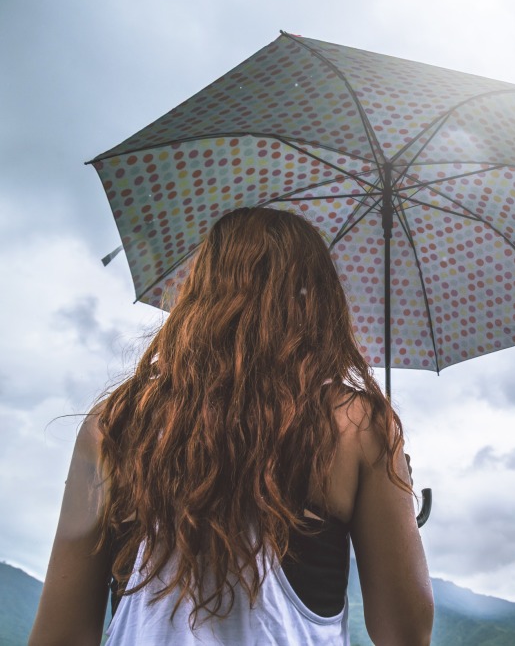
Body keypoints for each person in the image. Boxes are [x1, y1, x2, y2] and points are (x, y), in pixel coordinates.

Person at [29, 207, 434, 645]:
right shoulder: (354, 426)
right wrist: (396, 488)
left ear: (200, 290)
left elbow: (59, 635)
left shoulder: (116, 425)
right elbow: (406, 633)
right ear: (319, 302)